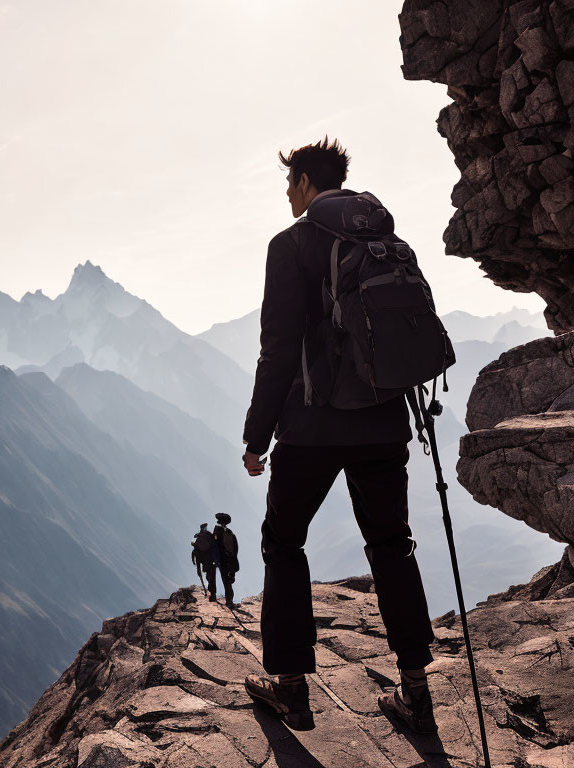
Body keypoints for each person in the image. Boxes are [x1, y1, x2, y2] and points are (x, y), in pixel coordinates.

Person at [241, 137, 436, 733]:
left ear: (302, 183)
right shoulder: (385, 242)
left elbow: (277, 349)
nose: (287, 197)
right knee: (391, 544)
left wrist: (257, 437)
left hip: (311, 426)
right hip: (383, 419)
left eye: (287, 185)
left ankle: (292, 688)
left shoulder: (292, 245)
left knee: (284, 540)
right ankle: (415, 690)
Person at [211, 512, 239, 608]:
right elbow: (232, 549)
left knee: (225, 580)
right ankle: (229, 602)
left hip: (219, 560)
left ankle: (215, 596)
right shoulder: (227, 533)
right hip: (226, 561)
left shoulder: (215, 532)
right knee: (227, 581)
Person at [191, 523, 214, 598]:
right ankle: (210, 592)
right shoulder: (209, 535)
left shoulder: (197, 535)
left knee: (201, 572)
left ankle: (207, 591)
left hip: (199, 557)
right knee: (209, 574)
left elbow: (193, 545)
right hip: (208, 558)